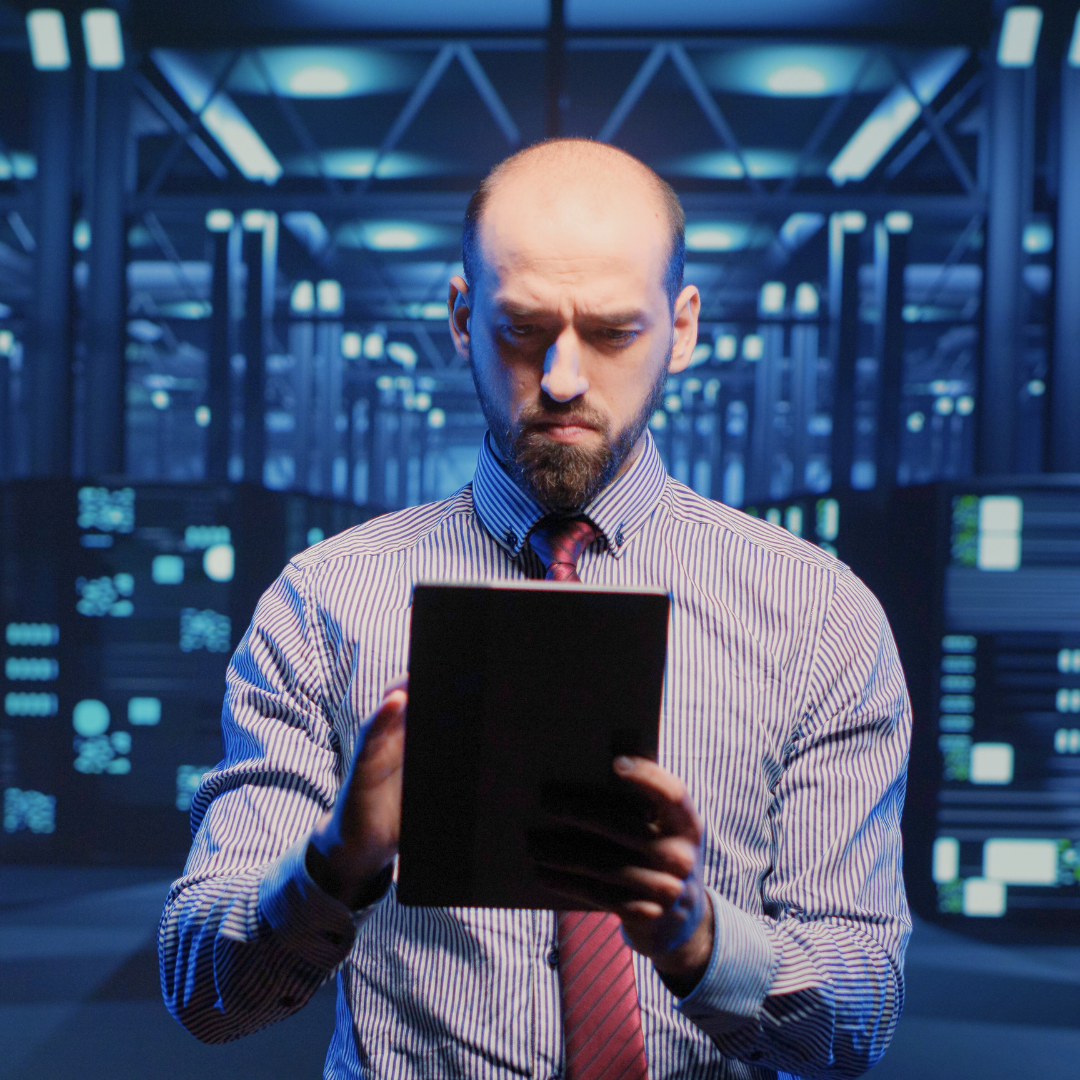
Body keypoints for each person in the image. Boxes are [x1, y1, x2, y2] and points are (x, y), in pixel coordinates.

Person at [160, 139, 911, 1080]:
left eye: (611, 332)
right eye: (522, 328)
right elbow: (201, 994)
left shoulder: (818, 619)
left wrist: (702, 944)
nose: (562, 377)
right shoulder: (324, 605)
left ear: (681, 329)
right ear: (462, 318)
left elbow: (861, 1016)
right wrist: (332, 866)